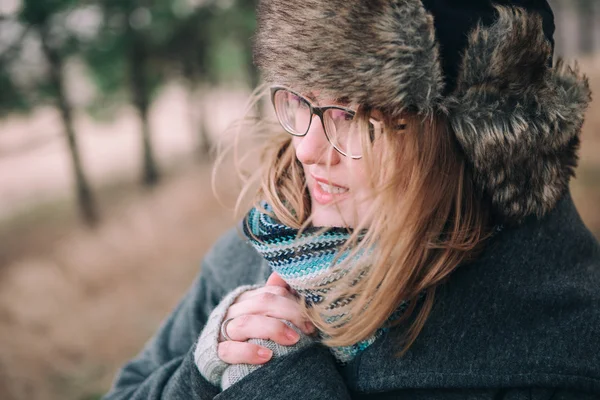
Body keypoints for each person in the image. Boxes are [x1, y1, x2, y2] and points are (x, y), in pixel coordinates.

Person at [103, 0, 600, 398]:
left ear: (466, 143)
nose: (307, 149)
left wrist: (278, 386)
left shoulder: (560, 349)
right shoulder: (265, 247)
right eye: (302, 99)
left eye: (354, 115)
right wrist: (200, 373)